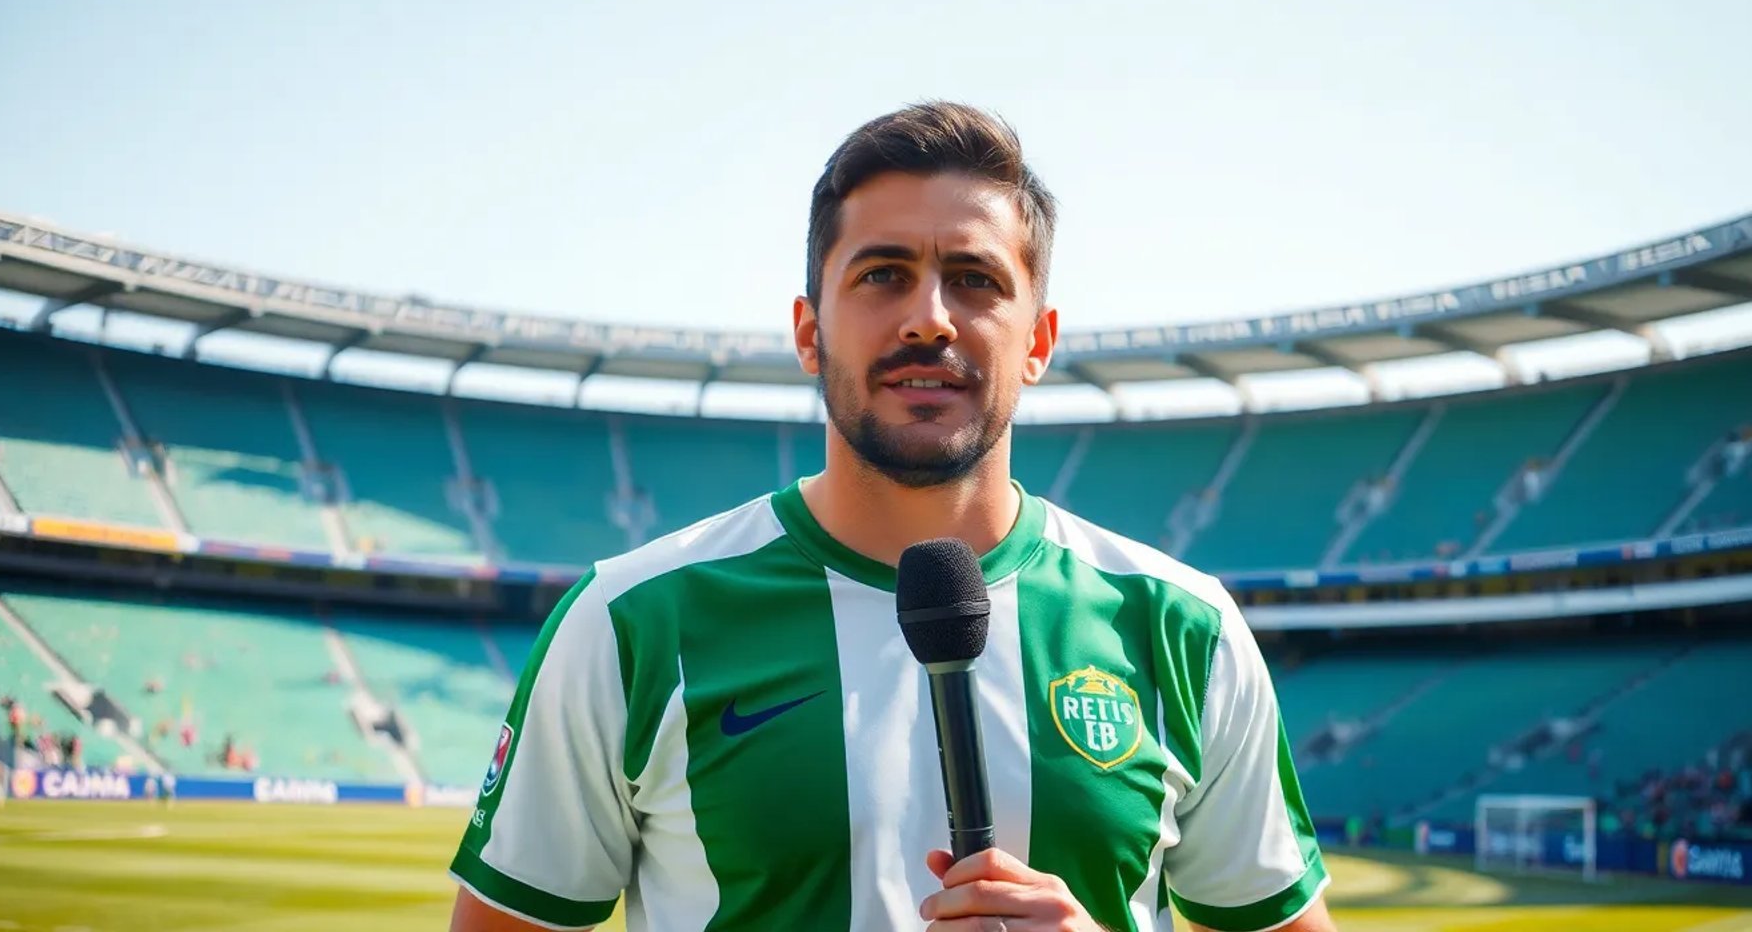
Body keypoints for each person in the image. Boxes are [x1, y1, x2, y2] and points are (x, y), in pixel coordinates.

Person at [448, 103, 1333, 932]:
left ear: (1037, 342)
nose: (928, 320)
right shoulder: (631, 620)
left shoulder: (1183, 625)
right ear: (808, 333)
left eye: (975, 279)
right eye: (882, 275)